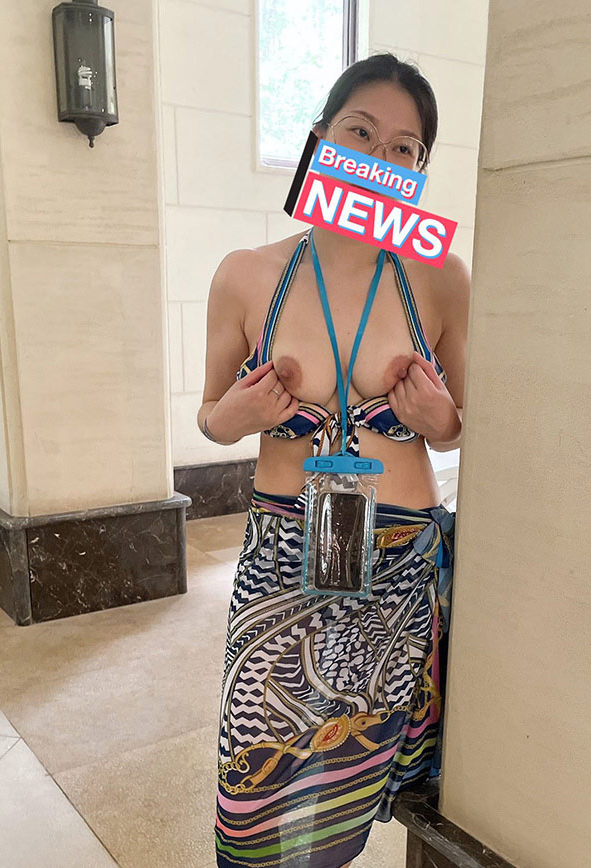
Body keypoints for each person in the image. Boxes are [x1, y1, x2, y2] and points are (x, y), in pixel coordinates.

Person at [199, 51, 470, 868]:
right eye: (360, 131)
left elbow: (466, 425)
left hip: (400, 566)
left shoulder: (441, 278)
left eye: (404, 148)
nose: (379, 156)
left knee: (357, 781)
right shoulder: (248, 276)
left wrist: (442, 420)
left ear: (418, 170)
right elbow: (210, 419)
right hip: (283, 558)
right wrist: (236, 415)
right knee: (257, 787)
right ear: (320, 140)